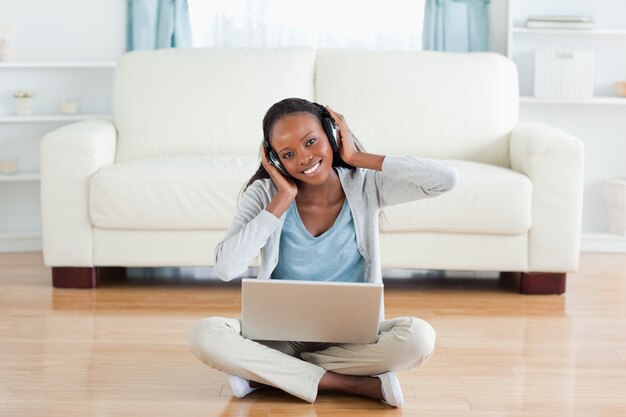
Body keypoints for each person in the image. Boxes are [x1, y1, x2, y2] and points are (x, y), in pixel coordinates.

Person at [188, 97, 459, 407]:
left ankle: (269, 374)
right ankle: (350, 384)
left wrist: (358, 156)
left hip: (352, 338)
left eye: (311, 141)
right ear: (275, 162)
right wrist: (281, 201)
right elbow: (226, 268)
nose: (304, 158)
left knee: (419, 339)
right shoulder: (265, 194)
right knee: (205, 334)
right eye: (288, 154)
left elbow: (446, 180)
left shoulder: (366, 185)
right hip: (280, 338)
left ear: (332, 135)